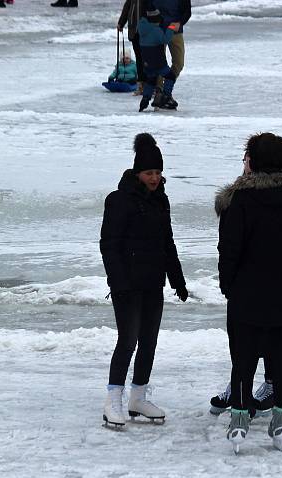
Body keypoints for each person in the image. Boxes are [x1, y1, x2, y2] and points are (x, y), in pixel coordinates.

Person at [217, 133, 282, 453]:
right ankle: (281, 416)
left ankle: (239, 416)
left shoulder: (240, 199)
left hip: (247, 294)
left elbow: (229, 249)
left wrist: (228, 285)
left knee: (243, 358)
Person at [99, 133, 189, 429]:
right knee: (128, 340)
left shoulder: (161, 201)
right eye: (149, 172)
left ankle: (138, 397)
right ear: (138, 173)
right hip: (127, 285)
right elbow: (109, 244)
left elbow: (168, 243)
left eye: (158, 172)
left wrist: (177, 279)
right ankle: (113, 400)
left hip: (153, 282)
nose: (154, 177)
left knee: (149, 341)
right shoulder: (119, 200)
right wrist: (118, 281)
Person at [136, 3, 179, 111]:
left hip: (147, 62)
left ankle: (145, 100)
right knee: (170, 76)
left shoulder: (141, 28)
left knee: (151, 80)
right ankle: (166, 96)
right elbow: (165, 39)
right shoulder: (156, 30)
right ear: (156, 20)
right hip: (158, 62)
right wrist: (171, 27)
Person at [117, 0, 145, 95]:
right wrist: (121, 23)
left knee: (148, 59)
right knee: (139, 58)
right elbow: (126, 9)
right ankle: (141, 86)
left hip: (147, 32)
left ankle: (151, 86)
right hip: (134, 31)